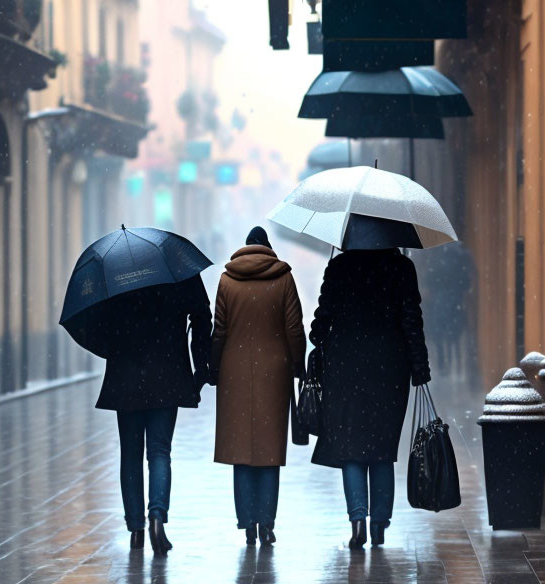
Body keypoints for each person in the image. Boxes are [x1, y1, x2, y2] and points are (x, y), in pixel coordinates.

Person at [309, 248, 430, 548]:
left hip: (345, 368)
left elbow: (320, 325)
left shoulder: (339, 266)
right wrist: (420, 367)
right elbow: (412, 321)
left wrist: (320, 333)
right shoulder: (401, 267)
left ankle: (357, 521)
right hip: (389, 369)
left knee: (351, 448)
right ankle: (379, 523)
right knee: (382, 448)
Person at [95, 277, 211, 554]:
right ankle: (157, 516)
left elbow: (101, 323)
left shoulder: (119, 276)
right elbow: (202, 316)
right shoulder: (177, 273)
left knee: (130, 454)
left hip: (126, 374)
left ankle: (135, 528)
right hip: (166, 373)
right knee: (159, 452)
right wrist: (202, 366)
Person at [209, 226, 306, 545]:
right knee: (269, 451)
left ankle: (246, 521)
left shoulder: (226, 280)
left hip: (234, 373)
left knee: (241, 451)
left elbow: (219, 330)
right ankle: (267, 522)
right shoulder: (284, 279)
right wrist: (298, 363)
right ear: (267, 247)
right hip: (274, 373)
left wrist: (214, 365)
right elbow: (294, 328)